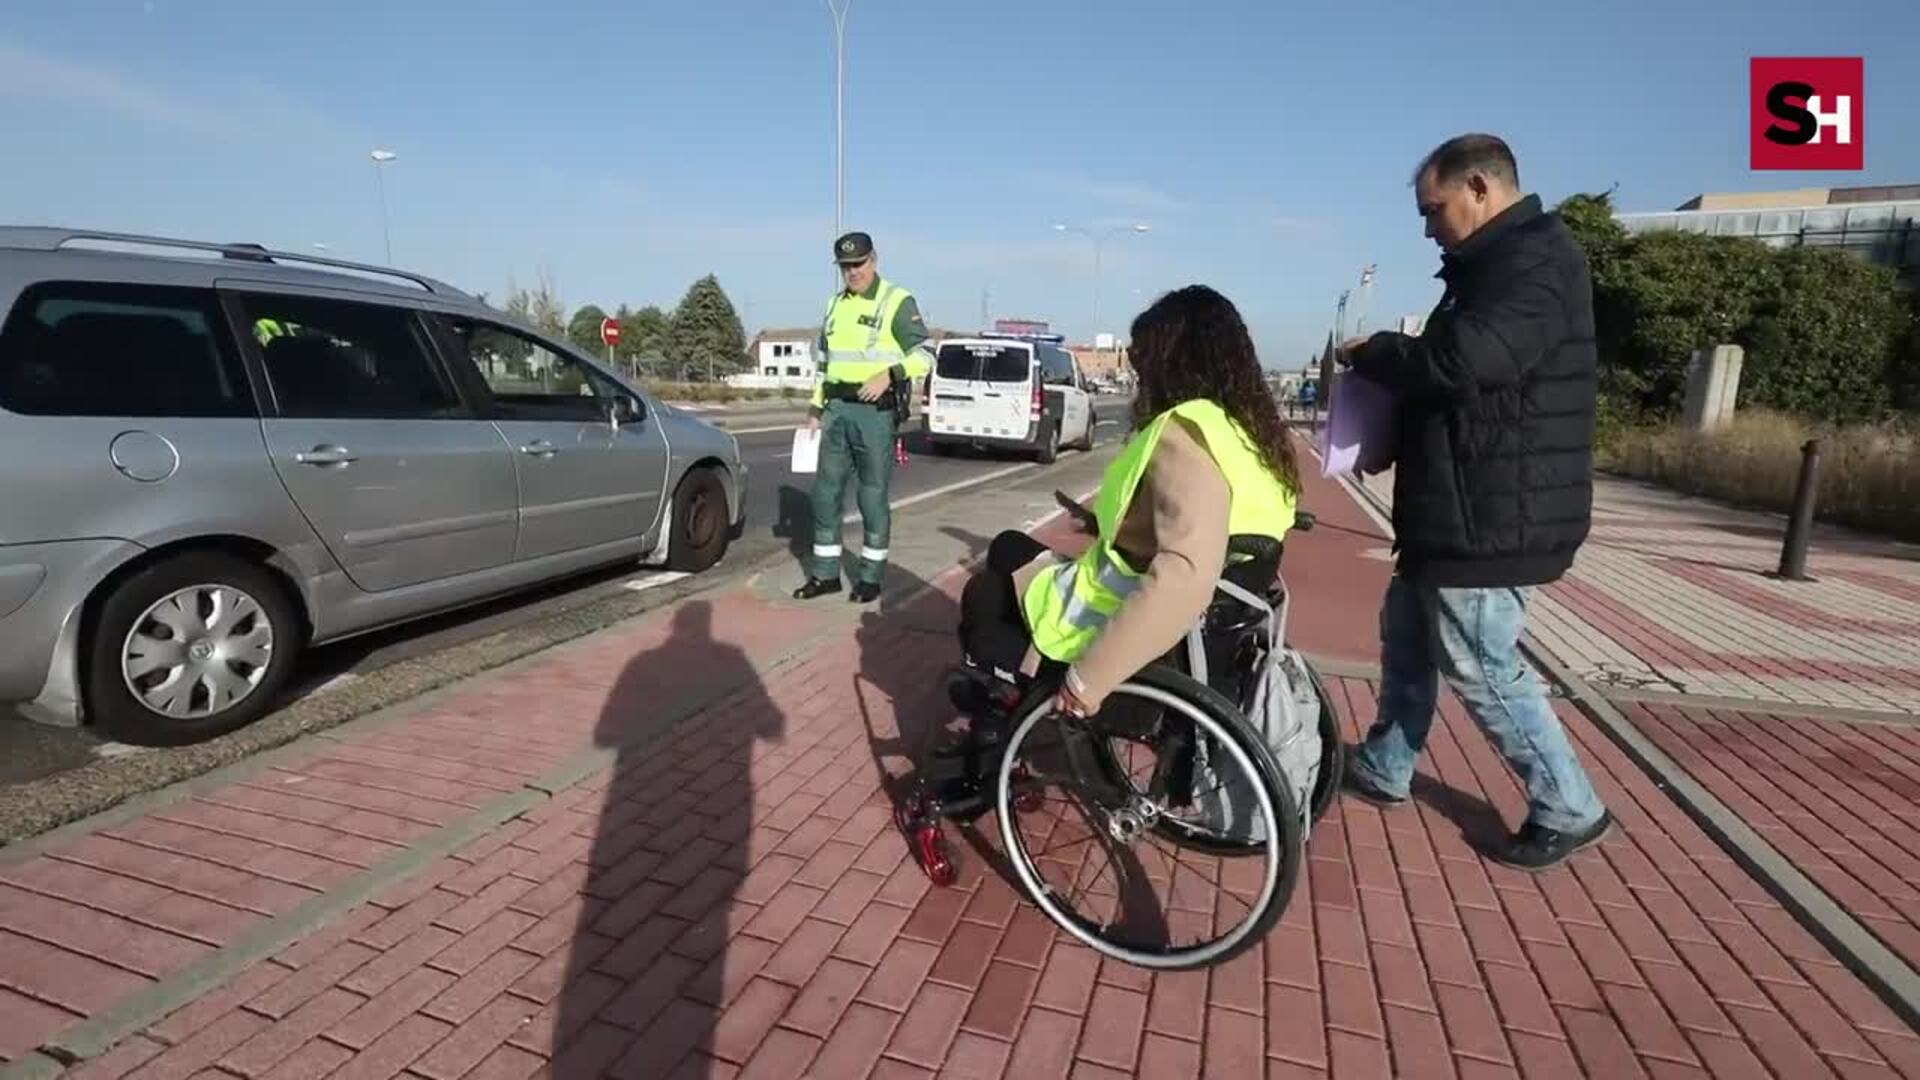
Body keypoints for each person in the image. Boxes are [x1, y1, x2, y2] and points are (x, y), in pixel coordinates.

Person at [1338, 133, 1611, 871]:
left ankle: (1569, 805)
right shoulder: (1491, 265)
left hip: (1492, 515)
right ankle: (1386, 763)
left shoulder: (1535, 262)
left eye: (1435, 210)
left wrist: (1378, 355)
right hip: (1459, 506)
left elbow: (1465, 363)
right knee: (1409, 635)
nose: (1429, 227)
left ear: (1481, 189)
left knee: (1481, 661)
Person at [954, 285, 1300, 724]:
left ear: (1174, 363)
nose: (1140, 376)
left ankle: (1006, 706)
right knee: (1006, 545)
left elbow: (1184, 573)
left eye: (1144, 363)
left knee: (982, 594)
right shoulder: (1243, 435)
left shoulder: (1185, 436)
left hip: (1140, 641)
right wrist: (1104, 522)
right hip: (1208, 620)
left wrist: (1086, 682)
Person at [794, 231, 934, 604]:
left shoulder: (897, 301)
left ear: (874, 259)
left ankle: (870, 578)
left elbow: (926, 355)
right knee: (824, 496)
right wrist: (815, 407)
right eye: (845, 266)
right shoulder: (834, 305)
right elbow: (825, 364)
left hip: (875, 413)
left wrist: (889, 374)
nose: (852, 272)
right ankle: (826, 576)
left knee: (871, 498)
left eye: (858, 264)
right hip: (837, 410)